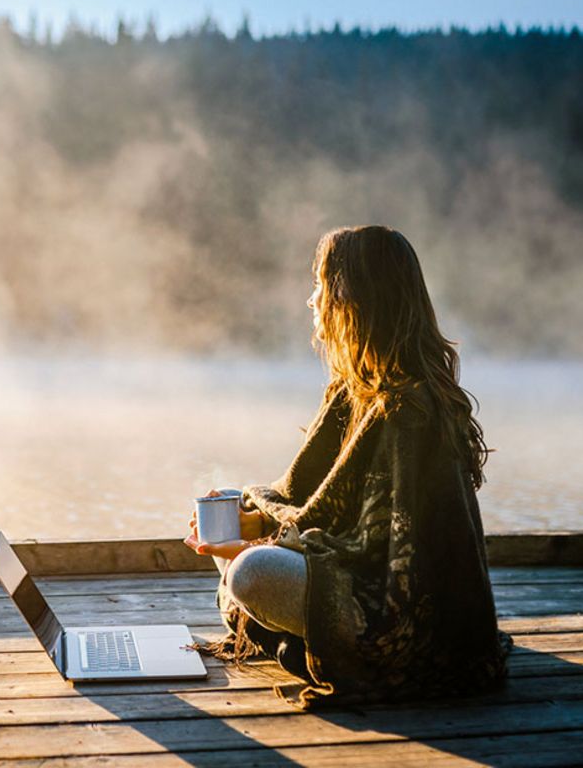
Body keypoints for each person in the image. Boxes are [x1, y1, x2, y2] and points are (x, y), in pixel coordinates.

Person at [183, 225, 511, 707]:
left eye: (320, 285)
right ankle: (294, 638)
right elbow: (309, 504)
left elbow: (383, 551)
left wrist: (256, 547)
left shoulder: (408, 411)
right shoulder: (350, 390)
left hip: (402, 615)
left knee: (252, 573)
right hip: (342, 559)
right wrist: (251, 524)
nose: (312, 300)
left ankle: (297, 640)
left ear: (352, 299)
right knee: (229, 513)